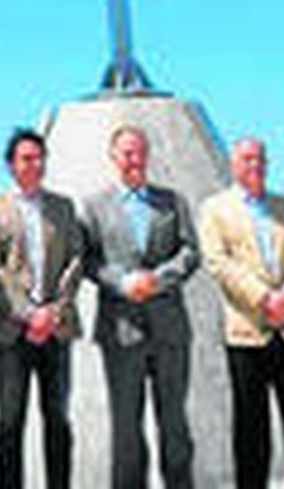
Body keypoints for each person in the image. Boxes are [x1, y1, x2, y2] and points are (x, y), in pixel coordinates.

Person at [198, 137, 284, 489]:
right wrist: (263, 298)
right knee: (252, 432)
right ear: (233, 163)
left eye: (260, 158)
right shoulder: (215, 209)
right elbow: (218, 261)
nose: (254, 165)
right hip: (248, 333)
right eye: (246, 158)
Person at [80, 124, 201, 489]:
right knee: (127, 429)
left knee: (175, 425)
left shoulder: (173, 201)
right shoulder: (94, 206)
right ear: (113, 157)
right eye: (127, 152)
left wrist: (159, 278)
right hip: (122, 331)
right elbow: (88, 261)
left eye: (139, 151)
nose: (134, 159)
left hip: (169, 329)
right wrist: (123, 282)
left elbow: (191, 251)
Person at [0, 129, 83, 489]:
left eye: (39, 157)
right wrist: (28, 314)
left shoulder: (63, 208)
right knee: (10, 423)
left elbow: (75, 260)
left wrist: (53, 312)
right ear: (11, 165)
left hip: (56, 328)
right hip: (12, 331)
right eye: (26, 158)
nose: (34, 165)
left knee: (58, 420)